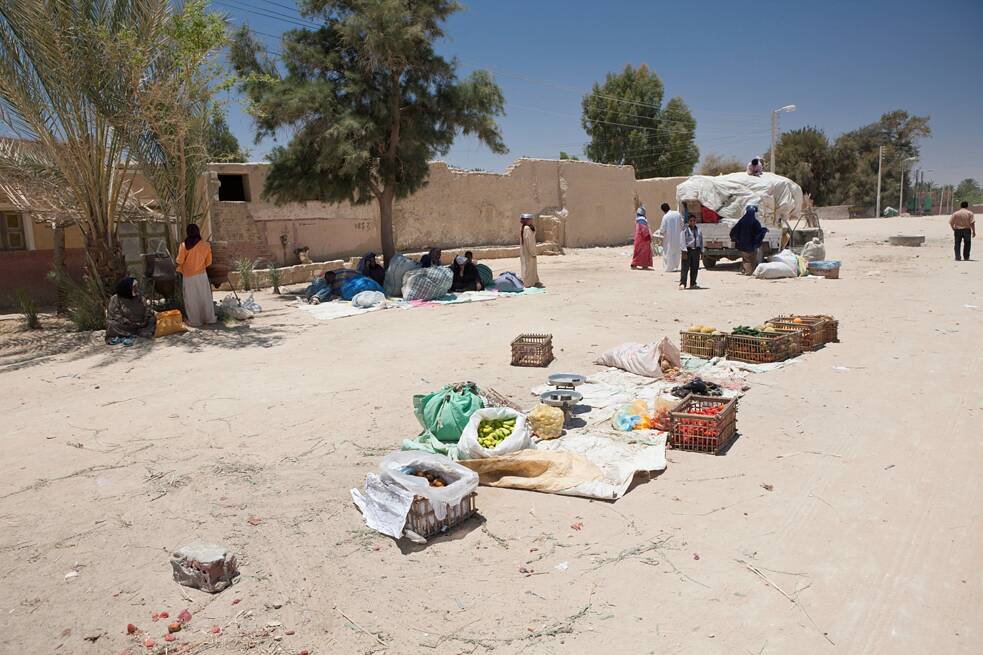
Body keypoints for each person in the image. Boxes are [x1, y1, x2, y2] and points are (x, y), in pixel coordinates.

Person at [175, 224, 216, 327]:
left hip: (188, 276)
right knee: (204, 297)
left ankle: (195, 321)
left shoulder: (184, 246)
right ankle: (209, 319)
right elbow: (209, 262)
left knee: (191, 299)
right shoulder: (206, 245)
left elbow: (179, 261)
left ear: (188, 232)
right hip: (202, 275)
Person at [105, 277, 156, 345]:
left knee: (152, 319)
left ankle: (142, 332)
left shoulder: (139, 297)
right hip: (126, 325)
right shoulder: (115, 299)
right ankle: (130, 334)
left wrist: (145, 319)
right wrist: (128, 322)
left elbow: (147, 309)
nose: (137, 289)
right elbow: (115, 314)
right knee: (111, 324)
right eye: (134, 287)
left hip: (141, 323)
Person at [730, 205, 768, 275]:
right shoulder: (755, 222)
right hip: (750, 245)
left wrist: (736, 240)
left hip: (742, 245)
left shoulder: (741, 221)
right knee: (751, 260)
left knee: (745, 258)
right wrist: (764, 230)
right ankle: (749, 272)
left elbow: (734, 231)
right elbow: (758, 233)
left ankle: (743, 270)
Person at [655, 203, 683, 273]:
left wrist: (659, 232)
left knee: (668, 253)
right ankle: (675, 267)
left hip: (669, 239)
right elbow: (682, 224)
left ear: (663, 210)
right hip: (678, 238)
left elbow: (662, 229)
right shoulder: (677, 214)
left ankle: (669, 268)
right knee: (677, 252)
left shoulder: (665, 216)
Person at [679, 214, 703, 290]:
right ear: (688, 221)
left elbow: (701, 241)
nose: (692, 222)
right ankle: (683, 283)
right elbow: (682, 240)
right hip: (688, 251)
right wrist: (684, 251)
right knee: (685, 268)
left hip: (696, 250)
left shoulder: (699, 230)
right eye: (691, 221)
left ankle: (693, 283)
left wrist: (702, 251)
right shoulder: (685, 230)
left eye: (694, 221)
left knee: (695, 268)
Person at [519, 213, 542, 287]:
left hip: (526, 251)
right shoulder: (526, 228)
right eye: (530, 219)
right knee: (528, 267)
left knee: (530, 267)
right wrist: (533, 252)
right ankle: (528, 283)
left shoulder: (526, 227)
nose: (532, 220)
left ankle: (533, 281)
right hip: (529, 251)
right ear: (527, 220)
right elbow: (529, 242)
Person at [630, 206, 653, 270]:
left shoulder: (638, 219)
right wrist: (648, 237)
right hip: (643, 239)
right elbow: (644, 229)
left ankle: (640, 265)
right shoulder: (642, 220)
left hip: (639, 238)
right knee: (644, 252)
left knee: (638, 252)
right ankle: (641, 265)